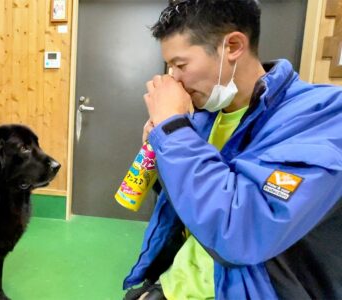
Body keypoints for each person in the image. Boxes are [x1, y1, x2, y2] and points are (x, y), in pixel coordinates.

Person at [122, 0, 342, 299]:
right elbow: (186, 209)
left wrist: (173, 132)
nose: (173, 78)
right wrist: (164, 148)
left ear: (234, 46)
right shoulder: (202, 116)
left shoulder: (323, 116)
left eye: (180, 65)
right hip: (177, 282)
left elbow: (241, 232)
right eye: (169, 66)